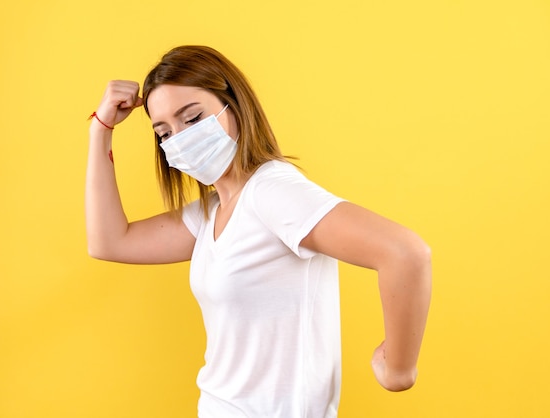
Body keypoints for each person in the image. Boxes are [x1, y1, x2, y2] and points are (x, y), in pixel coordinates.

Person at [86, 45, 431, 418]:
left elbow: (404, 253)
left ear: (233, 106)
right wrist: (100, 130)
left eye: (192, 118)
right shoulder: (211, 212)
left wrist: (398, 370)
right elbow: (109, 242)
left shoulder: (272, 193)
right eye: (164, 132)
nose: (180, 138)